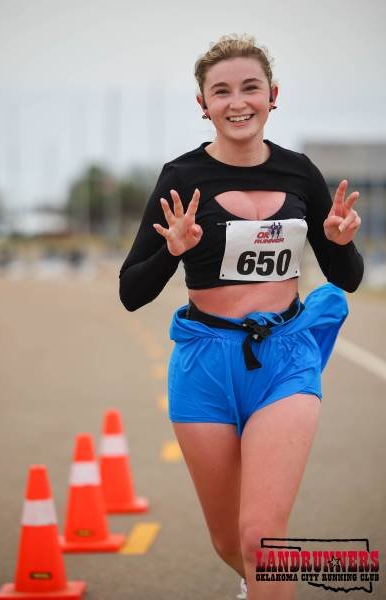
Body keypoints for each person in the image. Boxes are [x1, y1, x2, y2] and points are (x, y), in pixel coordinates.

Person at [119, 34, 363, 600]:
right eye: (221, 91)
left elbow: (347, 277)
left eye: (250, 87)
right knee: (229, 539)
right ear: (202, 104)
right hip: (205, 364)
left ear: (272, 95)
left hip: (285, 359)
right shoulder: (181, 177)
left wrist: (339, 242)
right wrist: (172, 251)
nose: (237, 102)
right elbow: (132, 292)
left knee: (260, 539)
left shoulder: (300, 173)